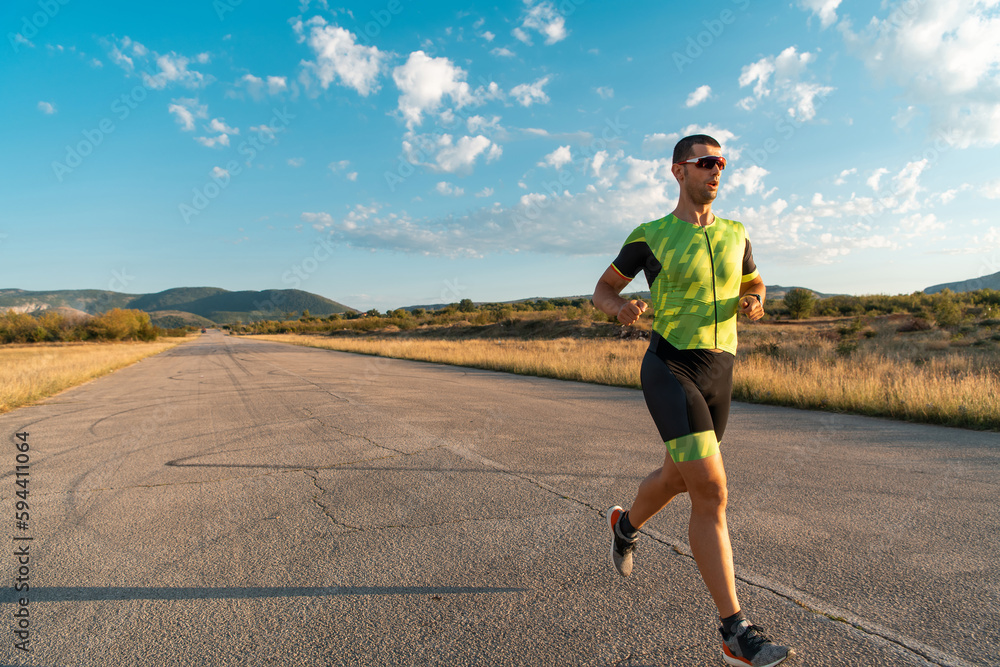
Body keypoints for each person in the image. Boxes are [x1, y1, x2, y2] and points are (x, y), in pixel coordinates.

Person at [592, 134, 795, 666]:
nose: (716, 170)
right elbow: (603, 289)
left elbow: (755, 283)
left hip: (719, 371)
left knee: (677, 479)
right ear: (679, 171)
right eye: (706, 163)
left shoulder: (736, 233)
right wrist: (618, 309)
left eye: (721, 163)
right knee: (711, 490)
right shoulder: (652, 235)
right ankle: (735, 633)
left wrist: (755, 300)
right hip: (671, 366)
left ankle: (625, 526)